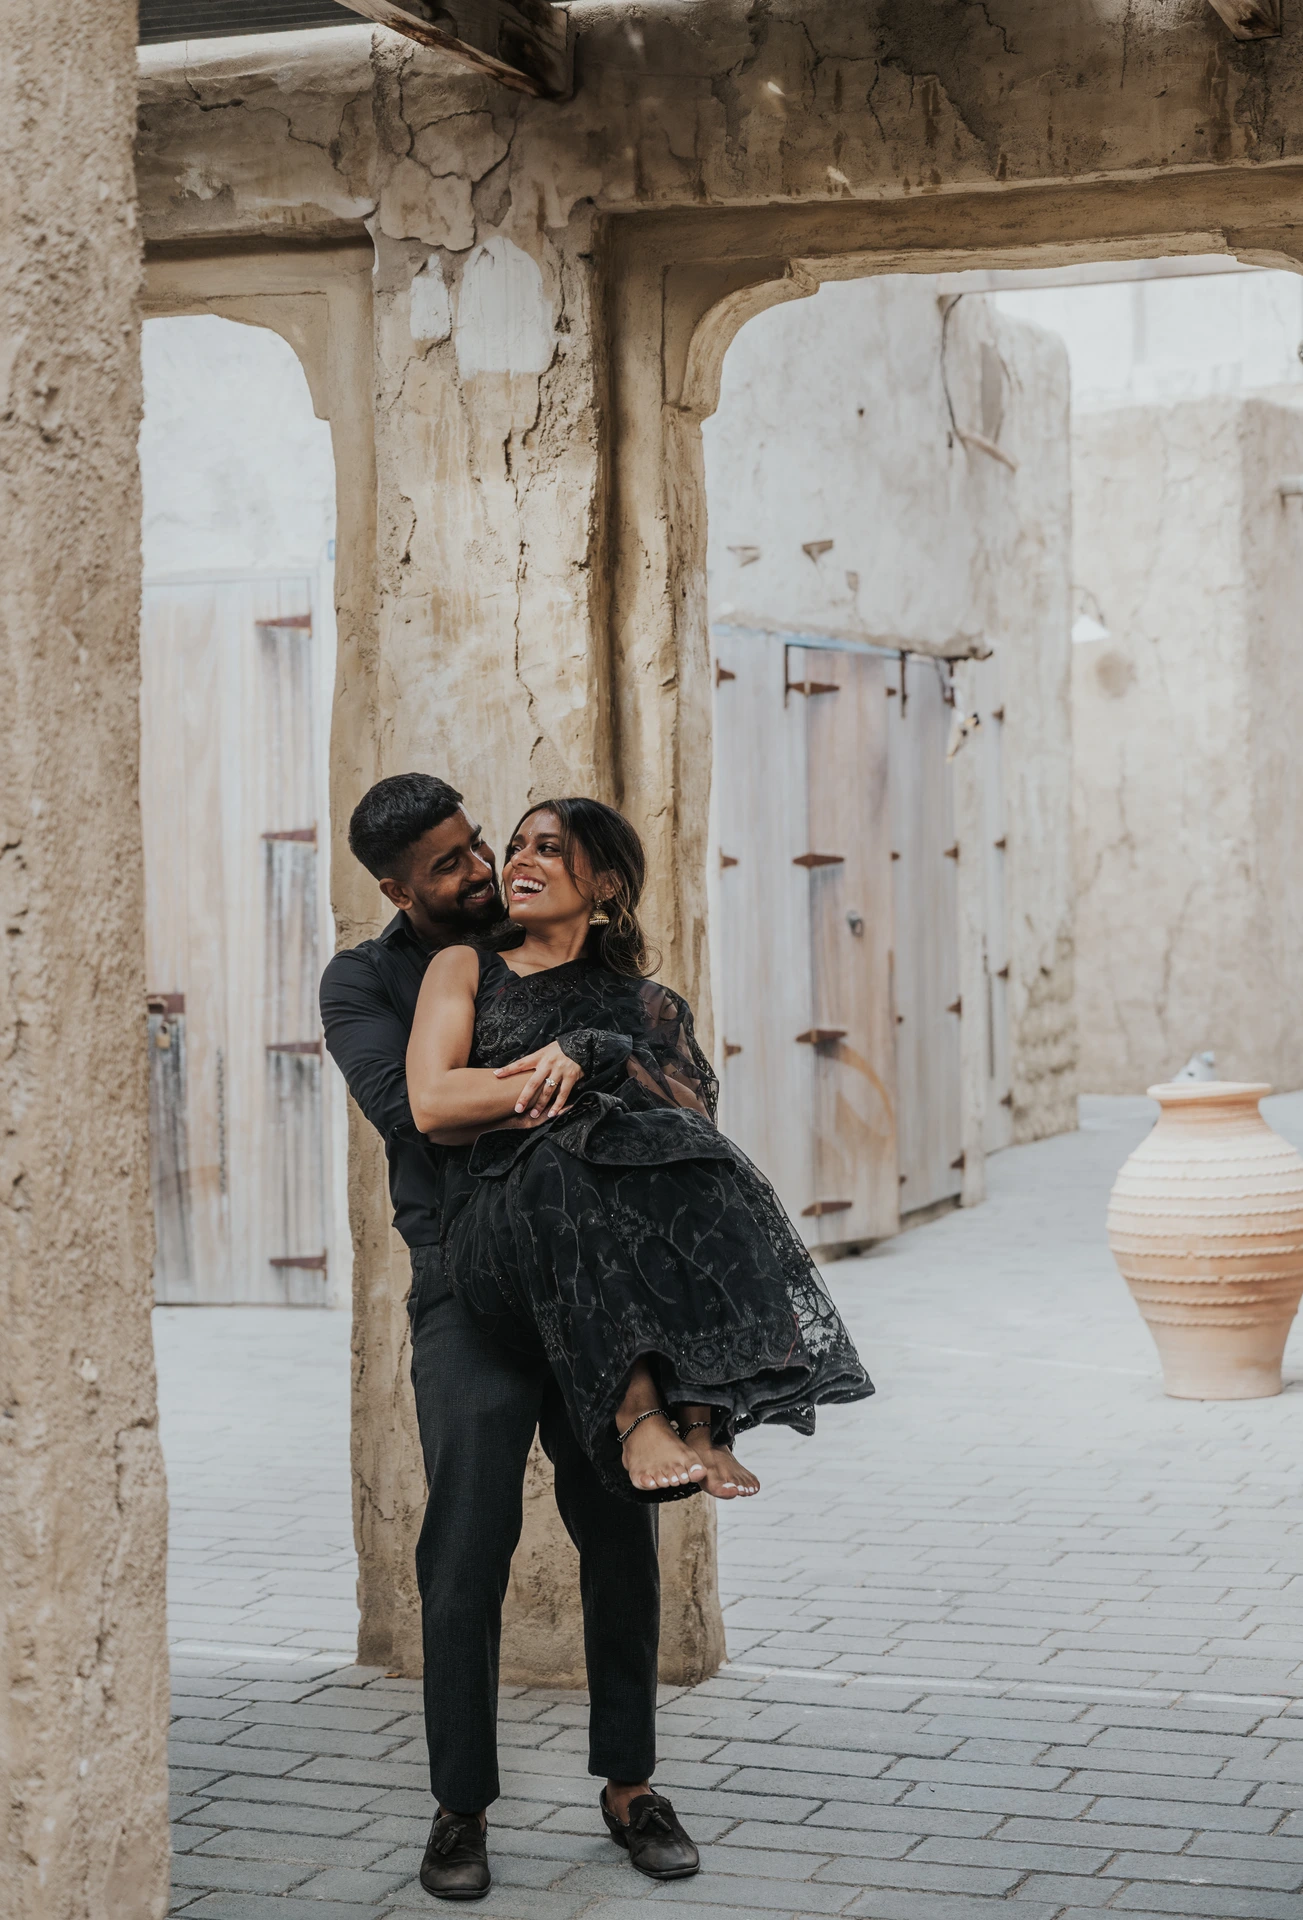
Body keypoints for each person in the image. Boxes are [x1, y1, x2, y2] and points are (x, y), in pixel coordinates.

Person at [320, 774, 700, 1903]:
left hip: (591, 1287)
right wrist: (572, 1068)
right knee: (465, 1548)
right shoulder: (369, 980)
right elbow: (413, 1111)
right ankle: (459, 1809)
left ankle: (630, 1786)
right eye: (450, 865)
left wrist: (595, 1054)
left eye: (479, 845)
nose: (482, 870)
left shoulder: (551, 942)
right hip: (464, 1285)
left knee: (620, 1537)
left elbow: (666, 1101)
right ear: (397, 888)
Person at [405, 795, 873, 1511]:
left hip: (611, 1238)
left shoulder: (651, 1007)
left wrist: (604, 1049)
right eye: (517, 845)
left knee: (696, 1163)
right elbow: (434, 1105)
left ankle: (702, 1415)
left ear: (607, 884)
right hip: (502, 1229)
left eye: (549, 848)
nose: (520, 860)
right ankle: (639, 1414)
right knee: (562, 1162)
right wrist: (567, 1060)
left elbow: (686, 1144)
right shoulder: (468, 967)